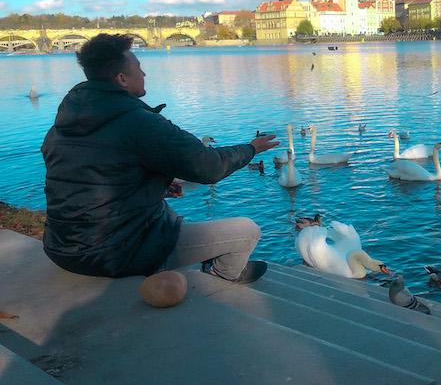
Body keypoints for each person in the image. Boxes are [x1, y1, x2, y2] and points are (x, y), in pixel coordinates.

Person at [41, 34, 279, 283]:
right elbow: (208, 167)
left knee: (167, 211)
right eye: (140, 70)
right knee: (247, 231)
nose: (145, 75)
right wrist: (251, 148)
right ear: (122, 79)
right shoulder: (140, 122)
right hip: (114, 254)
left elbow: (89, 177)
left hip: (60, 248)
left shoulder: (65, 120)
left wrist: (157, 186)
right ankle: (223, 275)